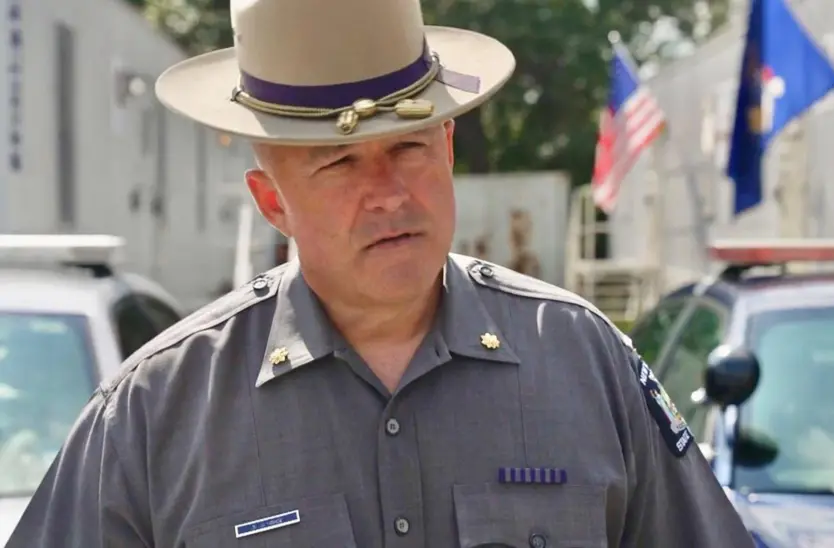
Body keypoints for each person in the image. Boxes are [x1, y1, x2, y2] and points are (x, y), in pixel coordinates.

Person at [6, 0, 756, 546]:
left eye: (410, 149)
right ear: (272, 202)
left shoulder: (584, 362)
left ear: (450, 149)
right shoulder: (156, 413)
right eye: (338, 164)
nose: (390, 194)